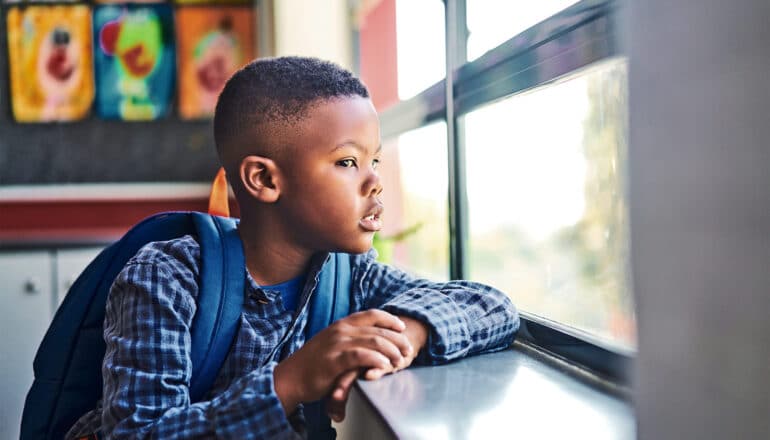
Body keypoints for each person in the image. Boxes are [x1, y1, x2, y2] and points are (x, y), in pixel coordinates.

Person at [66, 56, 519, 439]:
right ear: (264, 179)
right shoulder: (166, 277)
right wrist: (293, 380)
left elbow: (492, 306)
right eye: (348, 162)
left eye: (374, 159)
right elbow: (139, 432)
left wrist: (406, 333)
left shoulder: (350, 273)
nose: (375, 181)